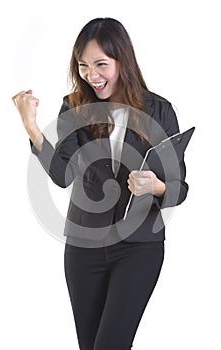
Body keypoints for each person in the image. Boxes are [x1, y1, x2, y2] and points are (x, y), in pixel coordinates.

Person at [12, 17, 188, 350]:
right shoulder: (75, 107)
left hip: (138, 248)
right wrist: (32, 128)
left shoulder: (160, 111)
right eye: (83, 66)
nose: (91, 75)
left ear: (122, 61)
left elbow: (179, 188)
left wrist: (156, 187)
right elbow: (62, 175)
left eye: (101, 65)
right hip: (83, 248)